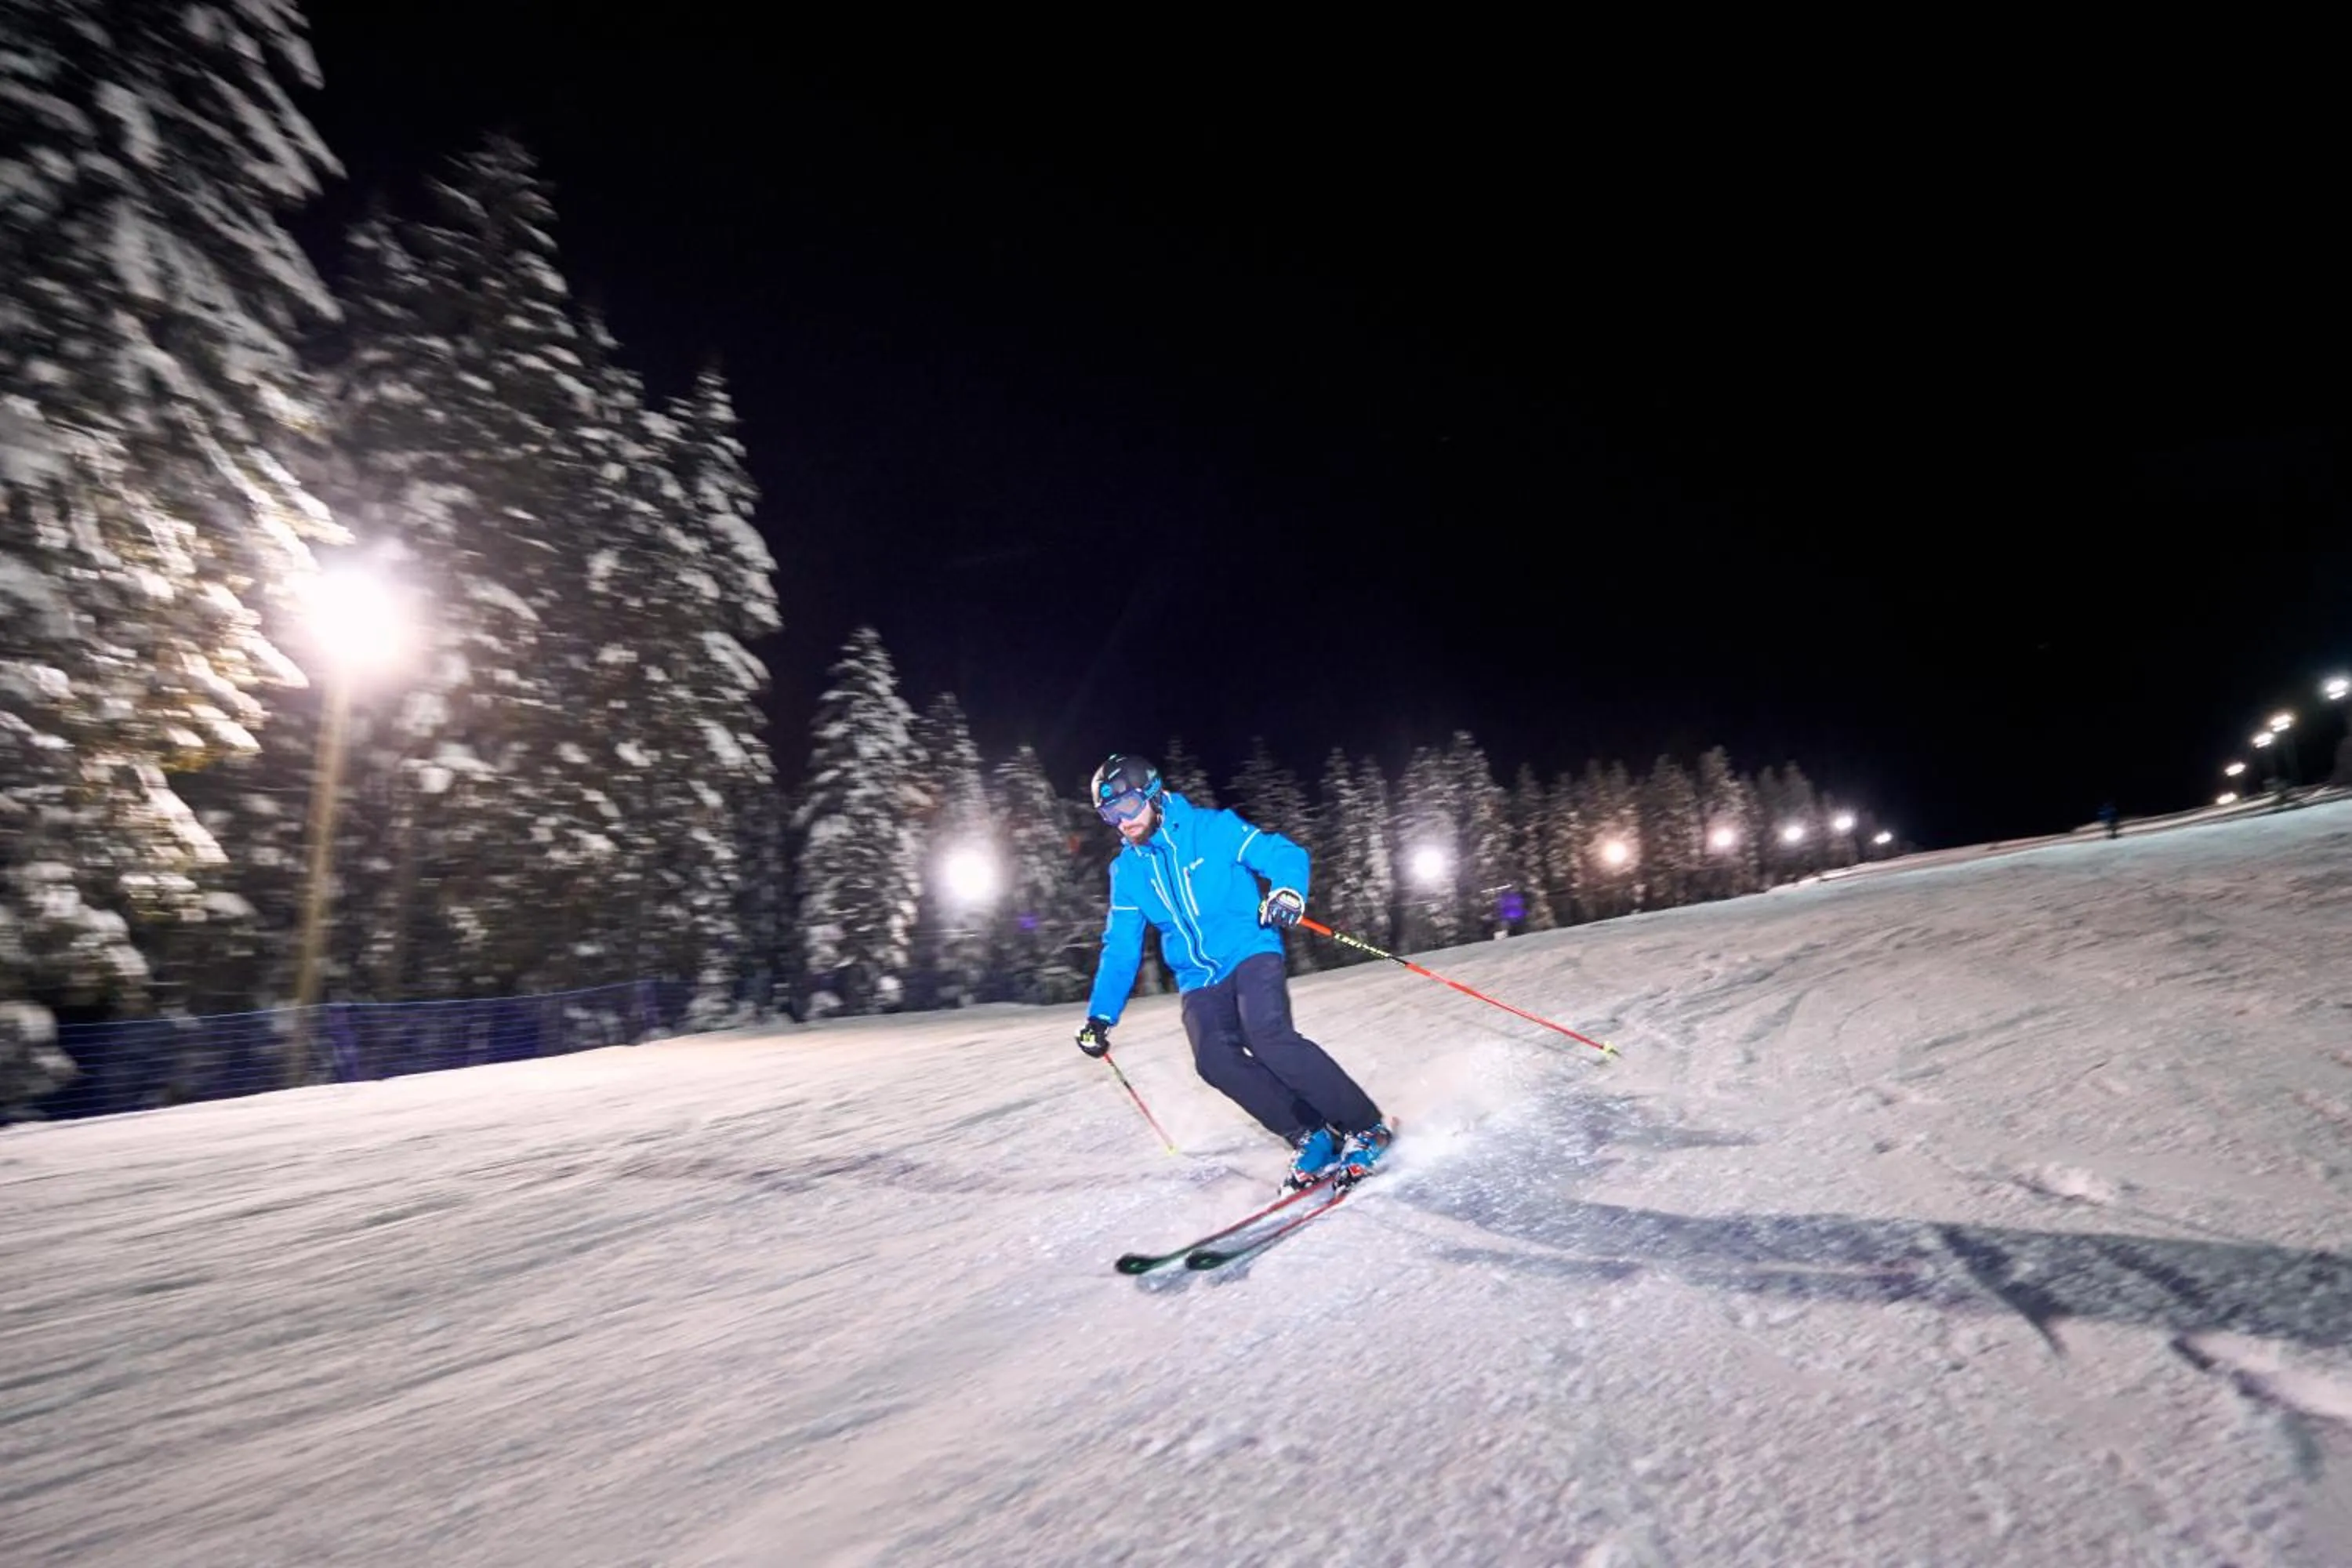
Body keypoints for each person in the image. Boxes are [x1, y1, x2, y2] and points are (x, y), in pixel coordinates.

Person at [1073, 753, 1392, 1190]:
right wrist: (1100, 1015)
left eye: (1127, 807)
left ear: (1153, 796)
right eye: (1110, 814)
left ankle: (1365, 1125)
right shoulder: (1127, 871)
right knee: (1214, 1059)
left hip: (1249, 950)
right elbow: (1121, 947)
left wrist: (1286, 891)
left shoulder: (1212, 829)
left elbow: (1282, 853)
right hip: (1197, 977)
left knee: (1267, 1035)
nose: (1122, 822)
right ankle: (1311, 1135)